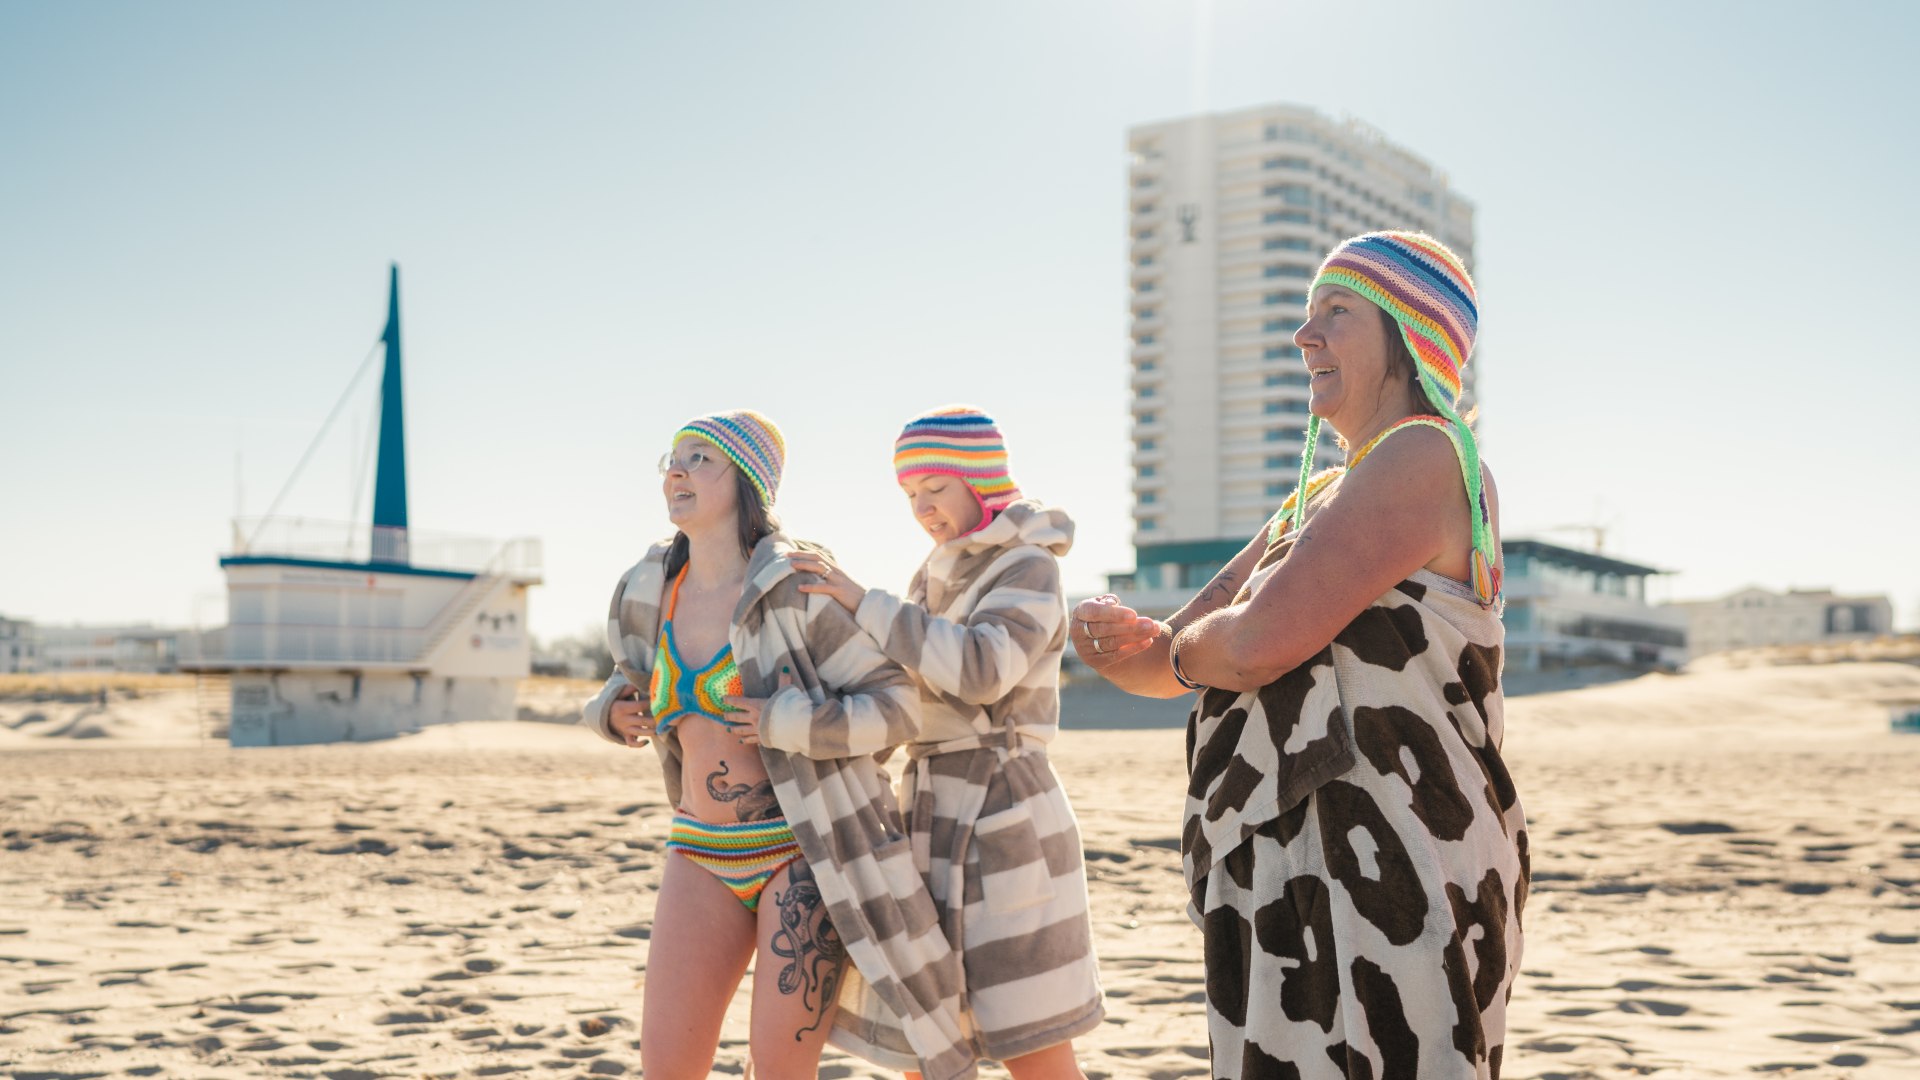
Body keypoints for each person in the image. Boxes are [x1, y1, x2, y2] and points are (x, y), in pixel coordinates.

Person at [1070, 233, 1528, 1077]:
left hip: (1399, 864)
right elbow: (1177, 651)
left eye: (1337, 312)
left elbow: (1247, 645)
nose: (1303, 335)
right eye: (1309, 312)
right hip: (1293, 866)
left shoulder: (1427, 454)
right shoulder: (1320, 494)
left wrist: (1188, 651)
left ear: (1410, 333)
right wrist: (1108, 641)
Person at [580, 410, 977, 1080]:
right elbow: (629, 676)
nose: (676, 471)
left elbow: (897, 707)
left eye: (700, 458)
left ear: (747, 482)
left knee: (779, 1073)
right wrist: (608, 712)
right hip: (698, 849)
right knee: (666, 1070)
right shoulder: (647, 589)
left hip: (801, 854)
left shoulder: (797, 588)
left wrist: (786, 722)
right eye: (671, 460)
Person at [790, 406, 1104, 1080]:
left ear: (980, 479)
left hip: (1004, 809)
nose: (922, 509)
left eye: (935, 489)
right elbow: (900, 692)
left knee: (1032, 1037)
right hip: (926, 809)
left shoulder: (1029, 566)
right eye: (909, 496)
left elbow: (982, 670)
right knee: (923, 1031)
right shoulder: (929, 573)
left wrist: (861, 602)